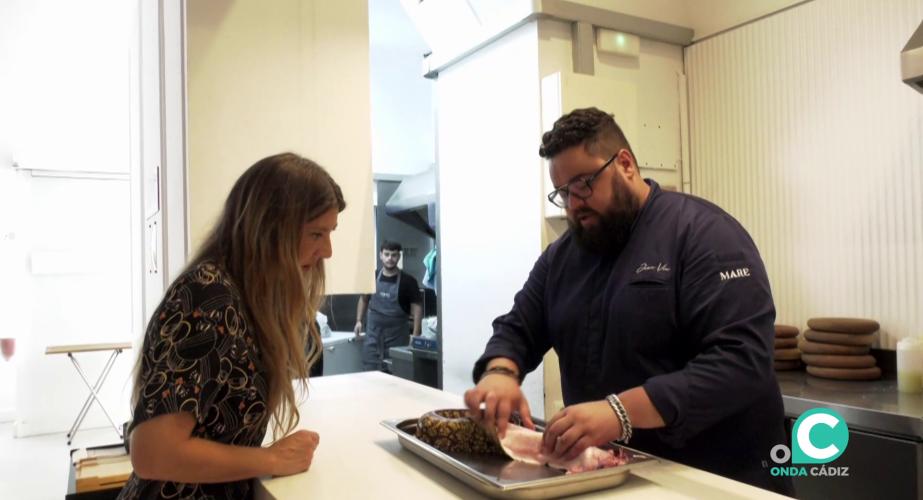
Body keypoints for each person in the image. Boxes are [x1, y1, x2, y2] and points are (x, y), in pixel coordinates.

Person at [463, 108, 793, 495]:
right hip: (613, 475)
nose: (573, 204)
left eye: (583, 184)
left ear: (625, 164)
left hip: (716, 477)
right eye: (563, 192)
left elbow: (741, 362)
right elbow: (519, 326)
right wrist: (500, 372)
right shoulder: (563, 256)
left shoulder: (704, 235)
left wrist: (620, 412)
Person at [118, 152, 346, 499]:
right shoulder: (208, 295)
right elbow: (152, 453)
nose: (327, 251)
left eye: (330, 233)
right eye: (316, 233)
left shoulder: (243, 294)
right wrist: (268, 458)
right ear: (270, 229)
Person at [354, 241, 423, 370]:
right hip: (373, 338)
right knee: (370, 374)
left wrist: (415, 334)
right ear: (380, 255)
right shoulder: (372, 277)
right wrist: (358, 321)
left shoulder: (408, 281)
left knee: (396, 373)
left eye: (394, 255)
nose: (390, 258)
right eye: (386, 254)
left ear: (399, 257)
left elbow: (417, 307)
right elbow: (363, 299)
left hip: (397, 339)